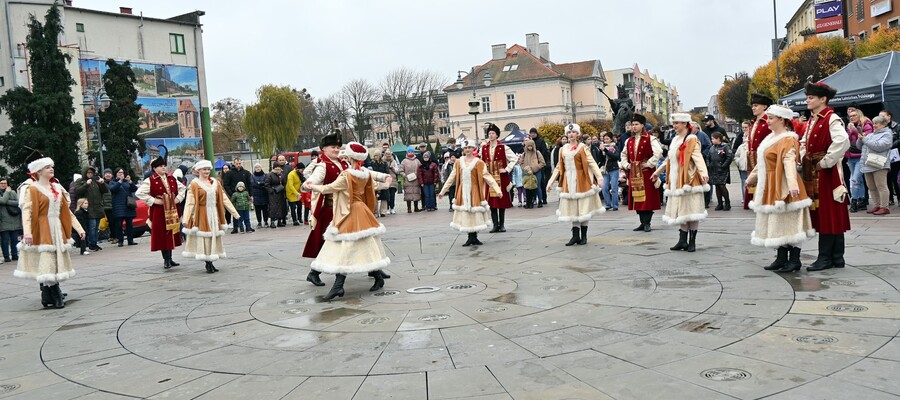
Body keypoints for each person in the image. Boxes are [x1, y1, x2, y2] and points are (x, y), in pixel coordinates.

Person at [304, 133, 393, 287]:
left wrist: (383, 176)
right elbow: (315, 179)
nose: (336, 150)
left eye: (338, 147)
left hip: (346, 207)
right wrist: (309, 183)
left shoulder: (344, 163)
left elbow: (365, 172)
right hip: (331, 209)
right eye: (333, 147)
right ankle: (314, 272)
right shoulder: (322, 165)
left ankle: (373, 269)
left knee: (360, 238)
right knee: (330, 244)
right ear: (324, 149)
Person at [746, 105, 815, 273]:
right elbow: (763, 163)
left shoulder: (788, 139)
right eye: (767, 118)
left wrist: (792, 185)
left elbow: (789, 162)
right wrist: (751, 179)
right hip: (770, 182)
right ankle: (781, 257)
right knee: (777, 221)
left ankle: (795, 260)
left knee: (791, 222)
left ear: (782, 120)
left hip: (782, 182)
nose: (767, 121)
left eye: (771, 118)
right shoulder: (770, 138)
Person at [15, 157, 85, 308]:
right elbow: (27, 212)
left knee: (56, 261)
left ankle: (48, 295)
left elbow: (66, 212)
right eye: (47, 167)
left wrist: (79, 229)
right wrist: (27, 232)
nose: (51, 169)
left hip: (57, 226)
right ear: (39, 171)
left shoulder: (58, 188)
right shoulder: (32, 189)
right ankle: (54, 293)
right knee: (47, 261)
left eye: (51, 166)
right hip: (42, 227)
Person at [800, 82, 851, 272]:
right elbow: (805, 142)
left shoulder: (831, 118)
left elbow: (842, 141)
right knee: (829, 212)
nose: (808, 100)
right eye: (808, 97)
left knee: (829, 213)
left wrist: (826, 162)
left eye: (811, 97)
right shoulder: (814, 119)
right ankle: (837, 257)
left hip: (828, 174)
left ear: (823, 99)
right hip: (816, 172)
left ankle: (825, 258)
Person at [652, 113, 710, 252]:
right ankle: (682, 240)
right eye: (674, 123)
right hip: (676, 180)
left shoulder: (691, 138)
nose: (675, 125)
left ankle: (692, 241)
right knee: (682, 210)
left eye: (677, 123)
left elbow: (697, 157)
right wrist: (657, 172)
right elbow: (669, 159)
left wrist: (703, 173)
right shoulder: (675, 140)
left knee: (692, 210)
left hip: (689, 180)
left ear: (685, 124)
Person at [546, 123, 605, 246]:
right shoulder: (563, 149)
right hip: (568, 181)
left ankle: (583, 236)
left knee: (583, 209)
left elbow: (592, 163)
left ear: (578, 135)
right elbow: (558, 167)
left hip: (582, 180)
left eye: (573, 132)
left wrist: (599, 177)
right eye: (568, 132)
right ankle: (575, 236)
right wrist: (550, 182)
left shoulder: (583, 148)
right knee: (572, 209)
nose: (570, 134)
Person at [439, 140, 502, 246]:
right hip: (462, 191)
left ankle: (474, 237)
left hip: (475, 191)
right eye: (465, 148)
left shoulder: (479, 162)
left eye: (469, 147)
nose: (467, 150)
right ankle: (470, 237)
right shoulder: (458, 162)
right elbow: (452, 177)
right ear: (463, 150)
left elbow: (487, 176)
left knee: (474, 212)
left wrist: (498, 189)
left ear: (474, 149)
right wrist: (443, 191)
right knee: (466, 213)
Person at [181, 160, 241, 273]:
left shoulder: (215, 183)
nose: (207, 171)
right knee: (205, 238)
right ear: (198, 171)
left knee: (213, 237)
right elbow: (190, 202)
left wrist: (234, 213)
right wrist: (186, 218)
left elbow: (224, 198)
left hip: (214, 213)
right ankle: (208, 262)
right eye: (204, 169)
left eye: (208, 169)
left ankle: (211, 261)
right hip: (202, 213)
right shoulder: (194, 184)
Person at [136, 154, 186, 269]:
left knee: (171, 233)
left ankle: (171, 258)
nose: (164, 168)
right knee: (163, 234)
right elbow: (139, 193)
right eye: (160, 166)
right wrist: (153, 201)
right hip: (159, 211)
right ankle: (166, 260)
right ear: (154, 168)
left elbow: (183, 188)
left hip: (172, 209)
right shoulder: (150, 180)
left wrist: (178, 199)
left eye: (164, 166)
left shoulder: (171, 178)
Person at [619, 114, 663, 232]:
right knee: (637, 198)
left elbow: (658, 152)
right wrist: (626, 165)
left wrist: (648, 163)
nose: (634, 127)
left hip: (646, 173)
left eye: (636, 124)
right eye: (632, 124)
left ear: (642, 125)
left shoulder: (650, 138)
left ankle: (647, 222)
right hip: (634, 173)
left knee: (646, 199)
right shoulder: (629, 140)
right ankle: (642, 223)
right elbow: (623, 154)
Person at [482, 123, 518, 232]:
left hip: (500, 178)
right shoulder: (484, 148)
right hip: (489, 177)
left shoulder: (503, 147)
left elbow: (514, 158)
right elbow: (480, 161)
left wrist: (506, 169)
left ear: (497, 135)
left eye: (493, 133)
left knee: (501, 201)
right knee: (492, 203)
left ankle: (502, 225)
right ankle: (495, 225)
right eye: (489, 133)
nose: (491, 135)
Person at [745, 93, 774, 209]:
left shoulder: (768, 121)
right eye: (752, 105)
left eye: (756, 105)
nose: (753, 108)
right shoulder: (753, 122)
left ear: (765, 107)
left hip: (762, 157)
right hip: (752, 157)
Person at [859, 115, 894, 215]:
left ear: (883, 124)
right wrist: (860, 138)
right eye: (873, 123)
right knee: (871, 187)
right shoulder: (871, 135)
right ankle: (877, 205)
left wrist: (865, 139)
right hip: (867, 164)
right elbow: (859, 146)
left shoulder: (887, 134)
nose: (874, 125)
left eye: (876, 123)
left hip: (879, 164)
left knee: (881, 186)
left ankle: (884, 207)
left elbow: (879, 146)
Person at [74, 166, 108, 252]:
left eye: (91, 173)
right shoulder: (80, 181)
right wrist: (86, 184)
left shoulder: (96, 181)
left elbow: (105, 191)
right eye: (88, 172)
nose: (90, 174)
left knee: (96, 228)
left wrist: (102, 183)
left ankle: (94, 243)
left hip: (97, 207)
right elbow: (77, 191)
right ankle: (91, 244)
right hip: (88, 209)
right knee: (92, 227)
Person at [846, 107, 872, 212]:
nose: (852, 118)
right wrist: (849, 131)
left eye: (854, 115)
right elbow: (846, 139)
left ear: (859, 115)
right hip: (850, 156)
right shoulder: (850, 126)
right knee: (858, 181)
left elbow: (867, 139)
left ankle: (854, 201)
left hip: (861, 156)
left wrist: (855, 131)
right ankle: (861, 201)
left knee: (854, 179)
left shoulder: (866, 124)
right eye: (850, 116)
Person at [108, 168, 138, 247]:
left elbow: (135, 189)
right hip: (118, 206)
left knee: (129, 224)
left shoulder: (126, 182)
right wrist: (120, 181)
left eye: (122, 172)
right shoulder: (113, 182)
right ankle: (120, 241)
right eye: (119, 172)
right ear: (116, 174)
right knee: (118, 225)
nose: (121, 174)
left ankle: (130, 240)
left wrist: (130, 182)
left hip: (128, 206)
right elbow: (113, 189)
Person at [878, 110, 900, 205]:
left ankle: (899, 198)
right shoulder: (879, 128)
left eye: (883, 116)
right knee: (886, 179)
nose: (881, 118)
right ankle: (889, 199)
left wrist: (889, 145)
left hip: (895, 156)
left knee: (895, 178)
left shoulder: (897, 126)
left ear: (889, 117)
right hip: (883, 156)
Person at [708, 132, 734, 211]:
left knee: (722, 186)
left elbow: (729, 157)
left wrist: (724, 165)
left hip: (722, 170)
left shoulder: (725, 146)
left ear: (718, 139)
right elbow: (708, 157)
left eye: (713, 138)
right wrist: (709, 164)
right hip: (714, 169)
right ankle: (720, 203)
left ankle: (727, 203)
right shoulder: (712, 147)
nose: (712, 140)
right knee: (717, 186)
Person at [224, 159, 252, 232]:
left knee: (246, 212)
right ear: (234, 163)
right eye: (237, 163)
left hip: (244, 195)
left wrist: (250, 194)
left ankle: (248, 226)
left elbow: (249, 184)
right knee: (235, 212)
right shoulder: (229, 173)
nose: (238, 165)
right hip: (234, 195)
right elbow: (226, 184)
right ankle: (235, 227)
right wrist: (232, 193)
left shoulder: (246, 173)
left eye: (239, 163)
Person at [519, 138, 546, 209]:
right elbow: (521, 163)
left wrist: (536, 168)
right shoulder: (524, 154)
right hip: (526, 173)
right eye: (528, 146)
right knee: (527, 187)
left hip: (536, 172)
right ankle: (529, 202)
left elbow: (542, 162)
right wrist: (524, 168)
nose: (530, 147)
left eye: (531, 146)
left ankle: (540, 200)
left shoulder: (537, 153)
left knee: (537, 186)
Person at [0, 177, 22, 262]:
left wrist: (7, 201)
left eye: (5, 183)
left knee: (14, 240)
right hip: (3, 220)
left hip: (14, 219)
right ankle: (6, 256)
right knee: (5, 240)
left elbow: (18, 202)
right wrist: (6, 193)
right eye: (1, 183)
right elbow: (2, 201)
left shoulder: (13, 192)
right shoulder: (8, 192)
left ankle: (14, 255)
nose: (3, 185)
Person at [597, 133, 621, 211]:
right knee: (604, 188)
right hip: (605, 170)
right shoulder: (602, 147)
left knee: (614, 188)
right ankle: (608, 204)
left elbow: (616, 157)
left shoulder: (614, 147)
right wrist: (600, 151)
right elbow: (600, 159)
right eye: (604, 139)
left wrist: (606, 150)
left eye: (607, 139)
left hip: (614, 169)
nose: (605, 140)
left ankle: (615, 205)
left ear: (611, 139)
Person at [529, 128, 551, 205]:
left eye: (534, 133)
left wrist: (538, 159)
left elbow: (544, 151)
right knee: (532, 183)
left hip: (539, 165)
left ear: (536, 133)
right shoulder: (530, 142)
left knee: (541, 183)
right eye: (531, 133)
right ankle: (534, 199)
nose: (533, 134)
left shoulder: (541, 141)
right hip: (532, 165)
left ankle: (543, 199)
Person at [399, 146, 422, 213]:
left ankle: (416, 207)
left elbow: (420, 169)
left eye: (412, 151)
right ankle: (409, 208)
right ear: (407, 152)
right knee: (408, 194)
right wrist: (405, 176)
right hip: (407, 180)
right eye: (409, 151)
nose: (410, 153)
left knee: (416, 193)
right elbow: (401, 170)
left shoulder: (417, 161)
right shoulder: (404, 161)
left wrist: (418, 175)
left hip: (416, 180)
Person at [734, 121, 751, 199]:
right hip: (743, 164)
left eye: (746, 127)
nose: (744, 129)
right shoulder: (740, 136)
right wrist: (739, 161)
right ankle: (745, 198)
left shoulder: (752, 135)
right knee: (744, 181)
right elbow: (735, 149)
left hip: (751, 164)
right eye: (743, 127)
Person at [250, 163, 269, 228]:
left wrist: (259, 184)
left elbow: (266, 183)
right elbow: (253, 184)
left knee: (265, 210)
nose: (258, 168)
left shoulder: (265, 175)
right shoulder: (252, 176)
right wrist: (260, 184)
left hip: (264, 195)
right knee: (257, 210)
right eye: (256, 167)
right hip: (256, 195)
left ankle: (266, 221)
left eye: (259, 167)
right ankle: (259, 222)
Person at [101, 168, 115, 244]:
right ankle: (111, 236)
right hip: (105, 205)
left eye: (109, 173)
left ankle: (114, 236)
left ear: (112, 175)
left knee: (113, 221)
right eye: (106, 173)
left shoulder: (114, 182)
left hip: (113, 205)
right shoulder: (101, 183)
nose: (107, 174)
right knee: (109, 222)